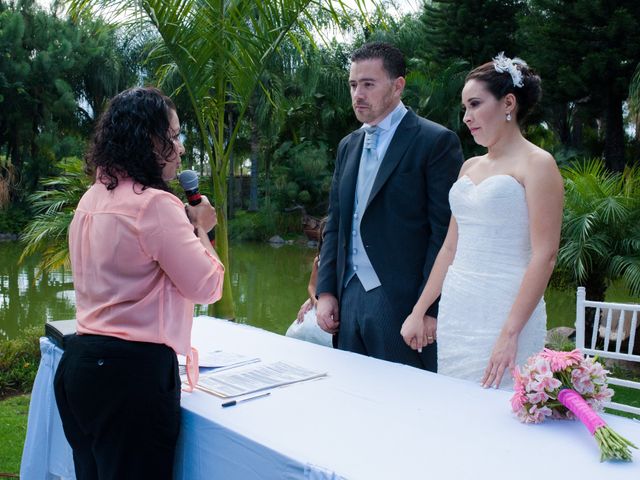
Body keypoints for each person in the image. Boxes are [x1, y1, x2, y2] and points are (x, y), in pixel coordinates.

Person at [53, 87, 225, 479]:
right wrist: (203, 230)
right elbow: (207, 288)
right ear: (148, 138)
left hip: (80, 366)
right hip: (130, 378)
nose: (181, 149)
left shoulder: (91, 199)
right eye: (175, 136)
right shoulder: (154, 204)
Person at [400, 53, 564, 389]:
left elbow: (544, 255)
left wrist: (510, 332)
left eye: (475, 104)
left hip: (505, 309)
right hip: (459, 310)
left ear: (508, 103)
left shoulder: (538, 164)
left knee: (505, 409)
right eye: (464, 108)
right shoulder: (469, 168)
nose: (467, 117)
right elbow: (449, 249)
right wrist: (419, 310)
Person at [315, 42, 463, 370]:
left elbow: (444, 235)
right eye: (353, 85)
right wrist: (326, 291)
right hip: (348, 296)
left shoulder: (435, 141)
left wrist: (429, 310)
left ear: (398, 86)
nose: (358, 94)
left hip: (403, 303)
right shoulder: (348, 145)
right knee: (352, 401)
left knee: (406, 408)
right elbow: (337, 222)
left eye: (368, 84)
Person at [286, 219, 332, 347]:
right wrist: (315, 301)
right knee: (297, 331)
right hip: (319, 302)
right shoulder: (319, 259)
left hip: (336, 307)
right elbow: (312, 286)